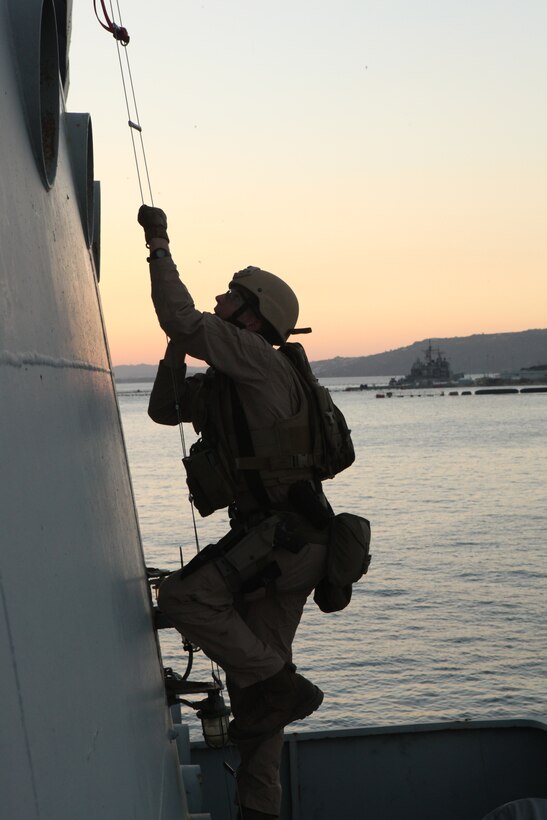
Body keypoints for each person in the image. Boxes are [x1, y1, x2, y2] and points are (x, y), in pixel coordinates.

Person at [138, 205, 332, 820]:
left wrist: (159, 244)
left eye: (230, 295)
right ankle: (261, 810)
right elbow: (166, 410)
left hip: (280, 542)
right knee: (259, 699)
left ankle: (284, 686)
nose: (219, 300)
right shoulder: (239, 382)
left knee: (183, 601)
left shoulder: (256, 358)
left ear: (252, 316)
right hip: (293, 546)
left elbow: (181, 314)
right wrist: (177, 350)